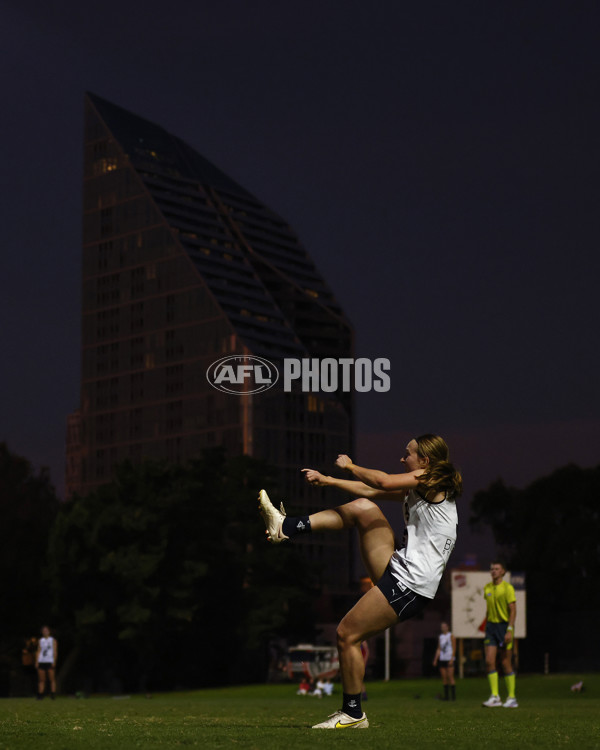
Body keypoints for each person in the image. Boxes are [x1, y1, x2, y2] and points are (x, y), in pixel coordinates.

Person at [258, 434, 461, 729]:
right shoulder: (422, 487)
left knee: (347, 634)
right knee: (364, 508)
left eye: (408, 455)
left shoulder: (431, 480)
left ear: (425, 462)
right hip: (400, 569)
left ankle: (353, 713)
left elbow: (383, 482)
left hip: (411, 585)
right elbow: (372, 492)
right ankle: (285, 527)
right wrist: (330, 481)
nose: (403, 459)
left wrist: (350, 466)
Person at [481, 561, 518, 708]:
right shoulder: (487, 588)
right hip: (491, 626)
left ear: (503, 572)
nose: (493, 571)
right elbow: (489, 610)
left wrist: (509, 629)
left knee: (505, 662)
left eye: (497, 569)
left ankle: (512, 697)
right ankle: (495, 696)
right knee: (489, 661)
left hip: (504, 627)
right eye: (492, 569)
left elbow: (513, 610)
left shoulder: (508, 588)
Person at [433, 621, 456, 700]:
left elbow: (454, 648)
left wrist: (452, 658)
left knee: (450, 677)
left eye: (445, 626)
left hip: (449, 658)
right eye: (442, 627)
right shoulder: (441, 637)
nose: (443, 628)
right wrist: (436, 659)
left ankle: (453, 697)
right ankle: (447, 697)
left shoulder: (451, 636)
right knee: (444, 678)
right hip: (442, 659)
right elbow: (439, 648)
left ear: (448, 627)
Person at [35, 626, 57, 700]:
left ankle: (53, 694)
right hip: (42, 661)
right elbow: (38, 651)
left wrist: (54, 661)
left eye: (46, 630)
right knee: (41, 679)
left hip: (49, 661)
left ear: (49, 631)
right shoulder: (40, 640)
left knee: (51, 679)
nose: (45, 631)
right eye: (43, 630)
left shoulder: (53, 640)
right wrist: (37, 661)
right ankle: (40, 694)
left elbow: (55, 651)